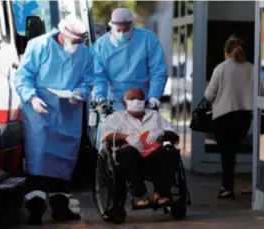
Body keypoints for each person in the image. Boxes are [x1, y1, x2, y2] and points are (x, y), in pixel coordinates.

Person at [14, 15, 94, 225]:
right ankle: (36, 210)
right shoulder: (39, 45)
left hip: (68, 112)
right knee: (39, 160)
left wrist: (80, 93)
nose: (76, 46)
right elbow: (23, 76)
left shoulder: (84, 53)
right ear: (62, 34)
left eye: (79, 42)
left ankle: (60, 208)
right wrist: (32, 98)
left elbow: (88, 78)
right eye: (73, 41)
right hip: (40, 113)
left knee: (64, 160)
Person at [92, 8, 168, 148]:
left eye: (125, 30)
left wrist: (154, 96)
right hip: (114, 103)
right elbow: (98, 75)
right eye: (118, 30)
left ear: (132, 26)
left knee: (146, 142)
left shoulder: (147, 39)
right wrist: (100, 96)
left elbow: (158, 70)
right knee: (108, 141)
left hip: (142, 102)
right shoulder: (101, 46)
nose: (122, 34)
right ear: (111, 26)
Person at [204, 35, 264, 199]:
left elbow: (209, 95)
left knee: (227, 153)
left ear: (226, 52)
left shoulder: (221, 68)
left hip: (223, 116)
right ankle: (249, 185)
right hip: (245, 117)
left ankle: (227, 187)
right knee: (240, 150)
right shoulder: (252, 68)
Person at [100, 88, 180, 209]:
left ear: (145, 102)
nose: (136, 101)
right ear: (124, 103)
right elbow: (107, 136)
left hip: (154, 155)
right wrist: (127, 137)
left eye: (140, 99)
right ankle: (141, 194)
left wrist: (161, 132)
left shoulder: (155, 116)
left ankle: (160, 193)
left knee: (170, 153)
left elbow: (174, 135)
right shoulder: (116, 117)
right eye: (132, 99)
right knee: (129, 152)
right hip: (129, 156)